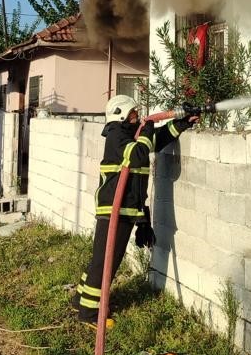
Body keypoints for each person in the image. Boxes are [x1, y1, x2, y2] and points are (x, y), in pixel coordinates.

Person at [73, 94, 198, 326]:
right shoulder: (116, 136)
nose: (138, 116)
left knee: (101, 258)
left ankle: (82, 298)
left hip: (126, 208)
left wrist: (182, 122)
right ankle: (90, 313)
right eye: (133, 113)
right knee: (107, 260)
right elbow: (139, 154)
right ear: (121, 114)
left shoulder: (129, 135)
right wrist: (148, 130)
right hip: (115, 210)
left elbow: (156, 141)